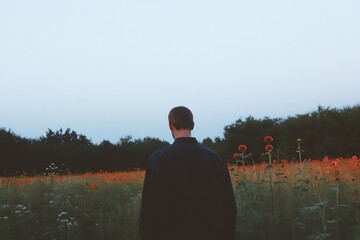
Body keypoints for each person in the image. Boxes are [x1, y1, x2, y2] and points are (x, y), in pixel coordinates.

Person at [139, 106, 236, 240]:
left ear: (170, 125)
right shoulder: (214, 158)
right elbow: (229, 205)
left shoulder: (158, 159)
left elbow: (150, 209)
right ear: (192, 125)